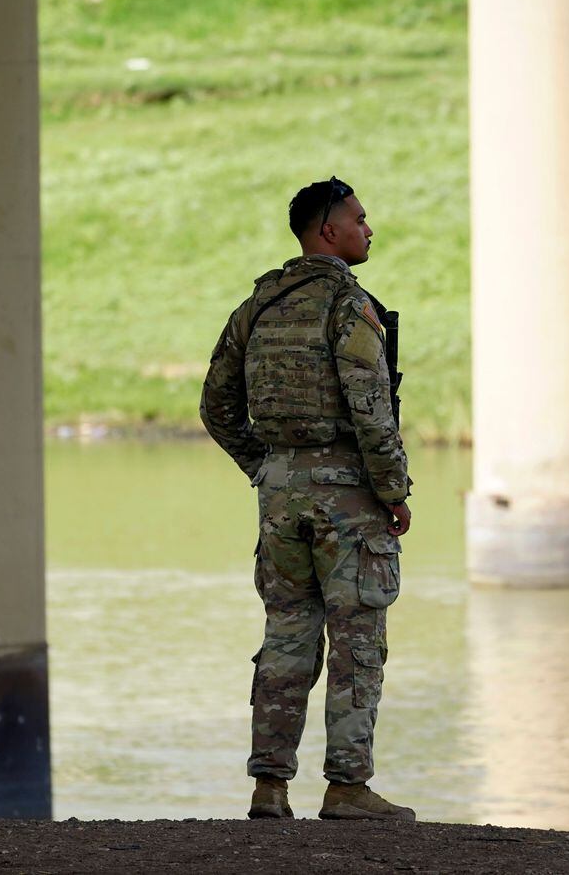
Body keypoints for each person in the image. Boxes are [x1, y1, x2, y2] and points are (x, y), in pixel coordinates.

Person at [200, 177, 414, 821]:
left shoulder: (257, 306)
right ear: (329, 231)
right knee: (357, 641)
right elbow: (372, 410)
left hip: (281, 498)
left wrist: (266, 468)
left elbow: (216, 406)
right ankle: (348, 788)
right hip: (347, 499)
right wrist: (394, 491)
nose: (368, 229)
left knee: (287, 635)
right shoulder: (349, 307)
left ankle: (270, 787)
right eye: (359, 219)